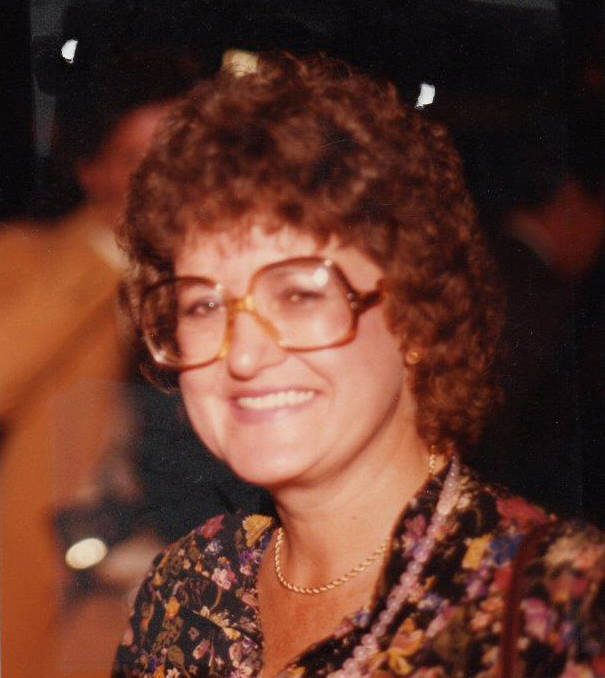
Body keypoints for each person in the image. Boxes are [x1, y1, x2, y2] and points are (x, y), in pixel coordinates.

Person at [112, 53, 604, 678]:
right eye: (204, 305)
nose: (244, 354)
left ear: (418, 313)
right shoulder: (185, 590)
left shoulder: (559, 604)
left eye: (299, 294)